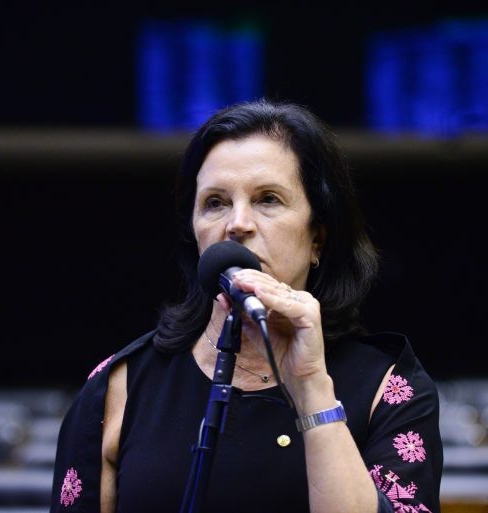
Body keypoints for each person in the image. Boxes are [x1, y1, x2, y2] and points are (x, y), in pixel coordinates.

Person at [50, 99, 442, 513]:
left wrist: (310, 386)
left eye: (268, 199)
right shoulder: (120, 386)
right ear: (195, 234)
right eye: (215, 202)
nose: (237, 223)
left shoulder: (390, 388)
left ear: (318, 238)